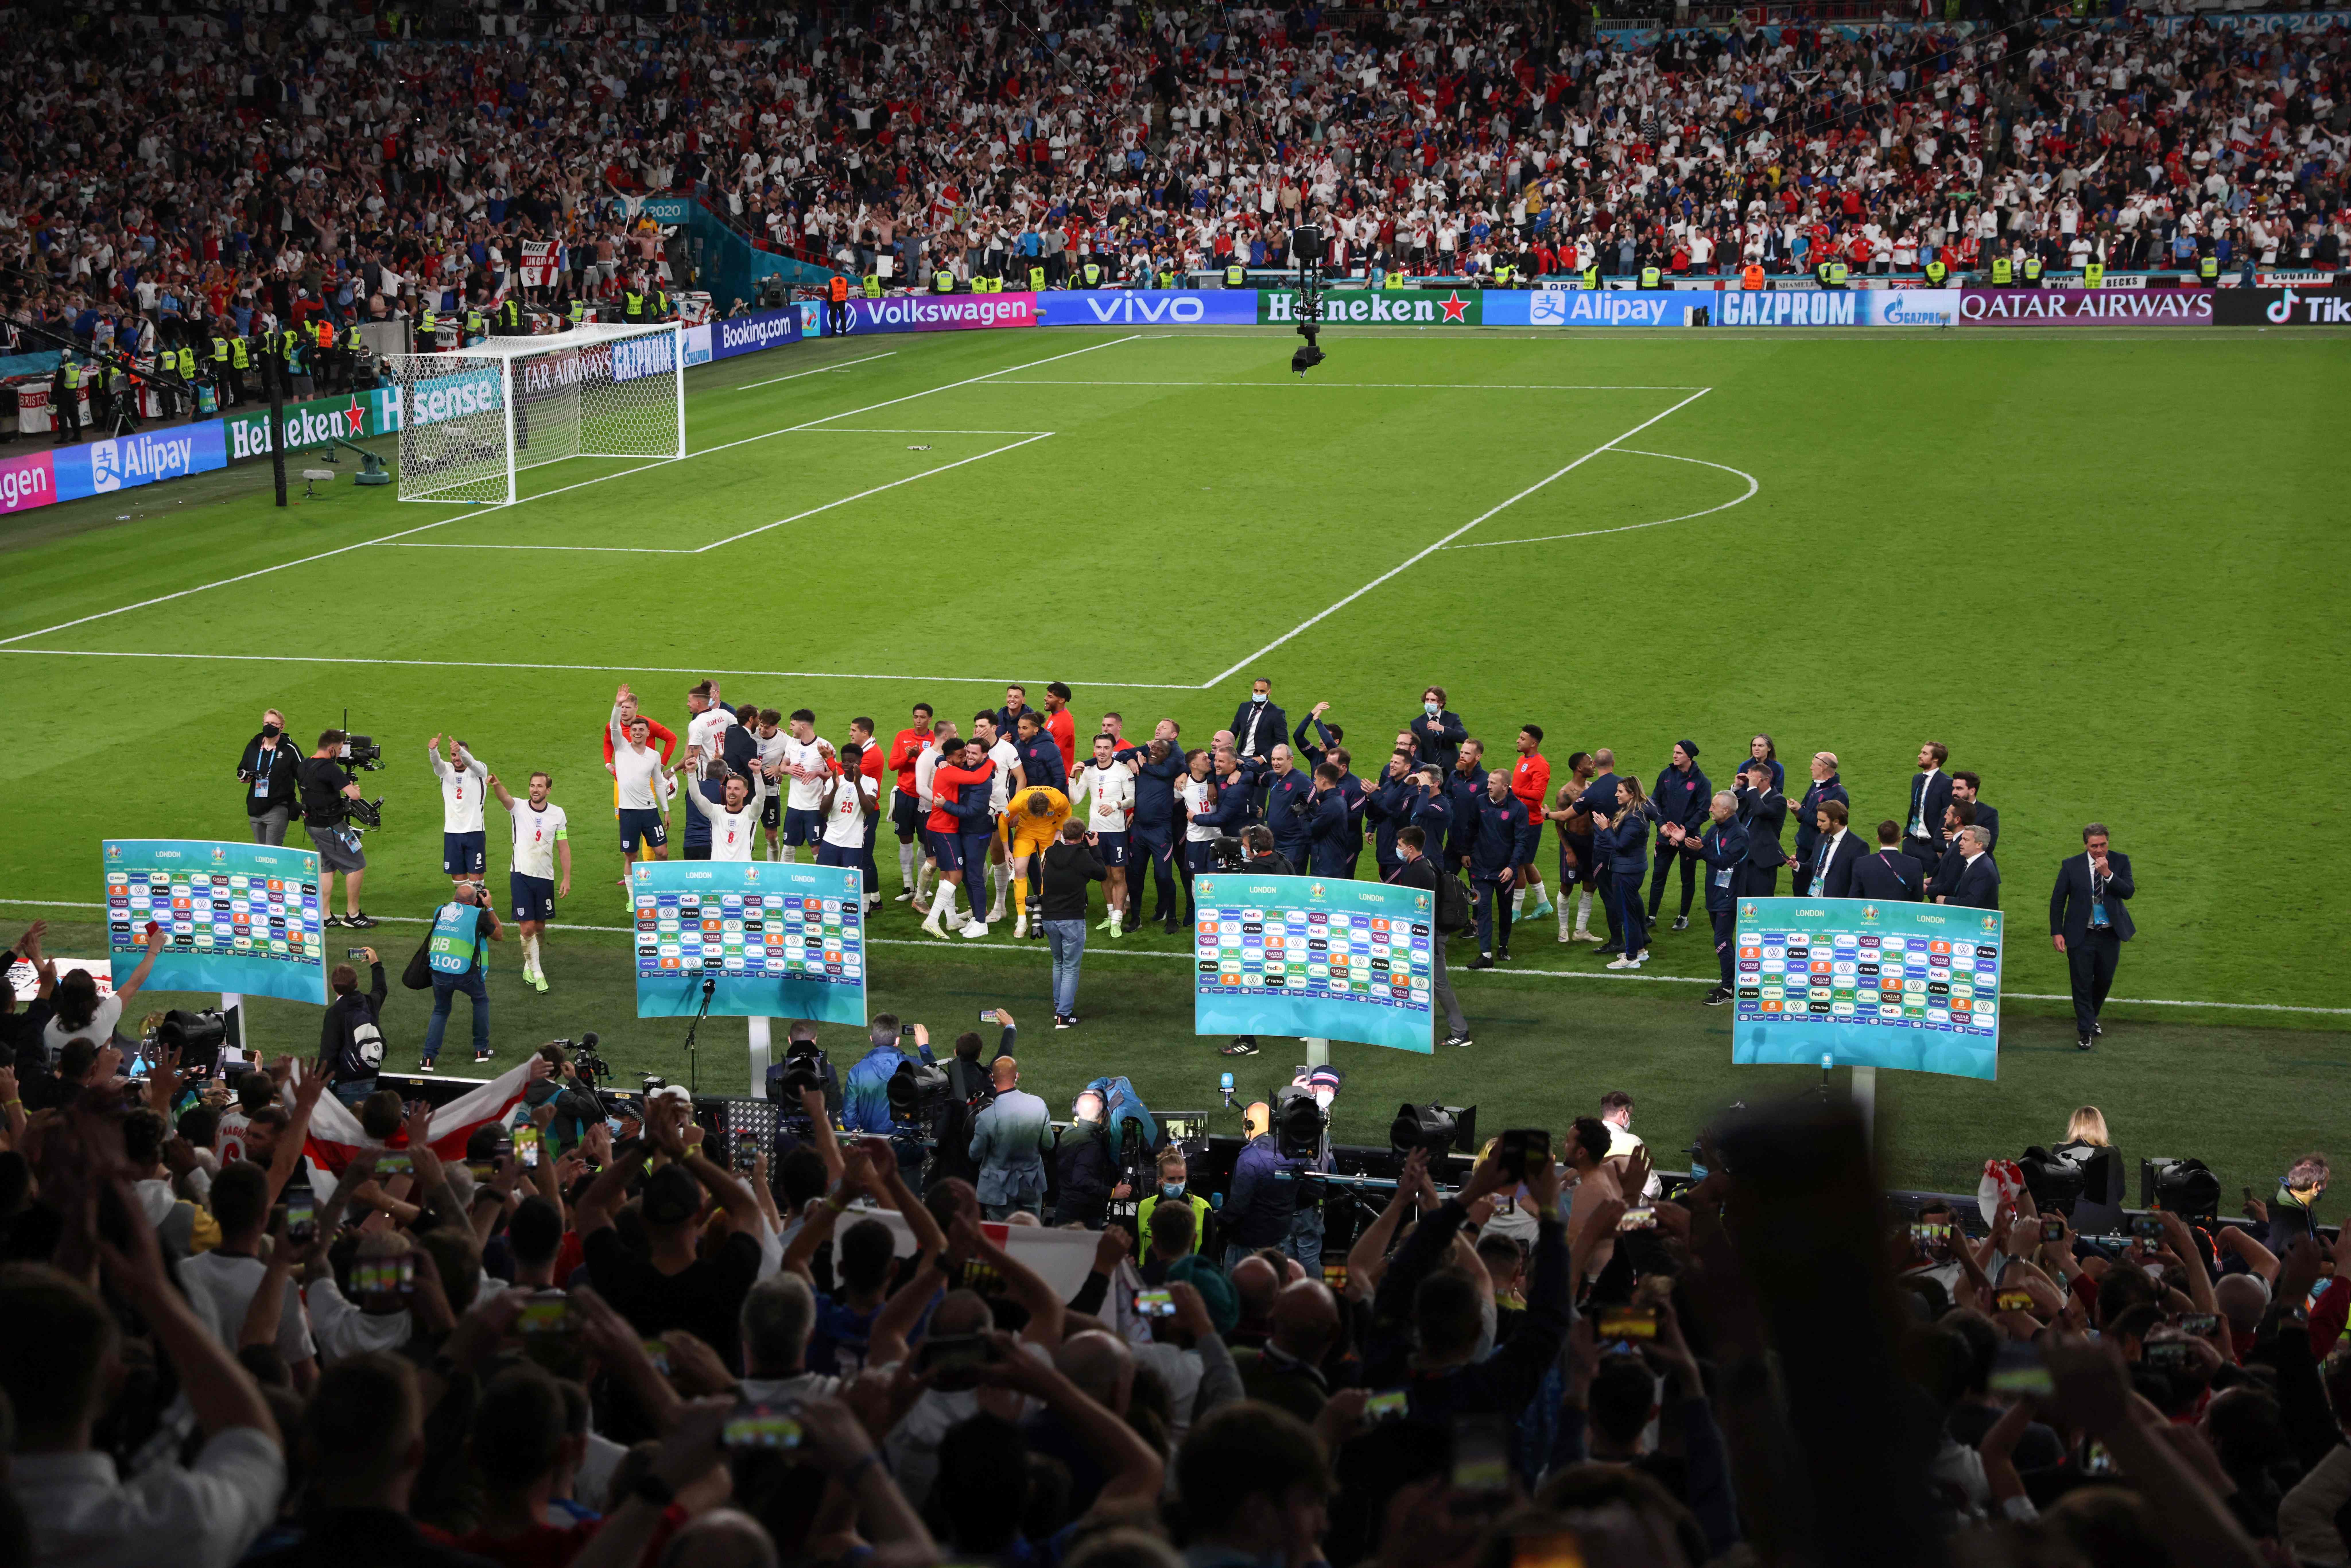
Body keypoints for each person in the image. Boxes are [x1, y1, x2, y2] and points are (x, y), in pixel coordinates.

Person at [2050, 822, 2134, 1051]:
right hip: (2081, 934)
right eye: (2094, 846)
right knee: (2081, 983)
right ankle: (2085, 1030)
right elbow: (2058, 900)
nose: (2099, 850)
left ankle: (2091, 1017)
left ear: (2109, 841)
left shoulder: (2120, 861)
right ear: (2086, 845)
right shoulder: (2071, 866)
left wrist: (2108, 874)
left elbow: (2128, 892)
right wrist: (2057, 932)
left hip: (2110, 934)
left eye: (2103, 845)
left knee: (2105, 980)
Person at [488, 769, 569, 994]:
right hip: (521, 875)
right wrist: (497, 785)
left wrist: (567, 877)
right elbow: (505, 798)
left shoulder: (558, 814)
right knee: (527, 929)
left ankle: (529, 964)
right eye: (533, 786)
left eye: (540, 786)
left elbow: (563, 847)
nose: (535, 790)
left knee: (540, 927)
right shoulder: (519, 808)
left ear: (548, 790)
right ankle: (538, 973)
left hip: (545, 878)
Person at [1661, 789, 1745, 1005]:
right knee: (1724, 942)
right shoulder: (1715, 830)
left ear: (1726, 810)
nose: (1710, 810)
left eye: (1714, 807)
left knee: (1722, 941)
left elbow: (1724, 862)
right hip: (1715, 894)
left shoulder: (1740, 834)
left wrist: (1702, 849)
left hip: (1729, 895)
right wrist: (1682, 842)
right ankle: (1731, 984)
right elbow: (1699, 854)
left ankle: (1728, 989)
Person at [421, 880, 502, 1070]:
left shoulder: (440, 911)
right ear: (476, 902)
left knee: (441, 1010)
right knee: (481, 1001)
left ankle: (428, 1059)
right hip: (465, 972)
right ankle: (481, 1050)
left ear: (454, 899)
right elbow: (499, 935)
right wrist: (489, 908)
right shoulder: (479, 915)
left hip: (439, 970)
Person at [922, 737, 997, 939]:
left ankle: (980, 922)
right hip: (951, 830)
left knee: (968, 877)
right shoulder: (958, 769)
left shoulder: (981, 777)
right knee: (962, 876)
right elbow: (951, 758)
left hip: (973, 833)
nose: (968, 758)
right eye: (966, 753)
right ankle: (970, 919)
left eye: (973, 754)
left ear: (984, 755)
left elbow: (973, 810)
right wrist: (941, 760)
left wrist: (946, 805)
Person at [300, 729, 377, 928]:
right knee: (357, 863)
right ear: (332, 749)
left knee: (328, 867)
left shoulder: (305, 764)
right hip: (331, 826)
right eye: (341, 749)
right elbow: (354, 795)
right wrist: (355, 791)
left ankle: (325, 915)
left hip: (312, 825)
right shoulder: (330, 769)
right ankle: (353, 914)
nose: (342, 753)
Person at [1467, 768, 1539, 969]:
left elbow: (1522, 842)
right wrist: (1467, 853)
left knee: (1505, 911)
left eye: (1492, 783)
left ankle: (1503, 945)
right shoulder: (1480, 802)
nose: (1488, 786)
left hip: (1505, 872)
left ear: (1505, 787)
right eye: (1488, 782)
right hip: (1481, 869)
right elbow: (1471, 829)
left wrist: (1511, 867)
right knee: (1483, 909)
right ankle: (1486, 955)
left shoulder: (1519, 809)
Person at [607, 686, 675, 894]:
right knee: (631, 856)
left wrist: (666, 810)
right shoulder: (622, 748)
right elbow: (614, 727)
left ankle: (662, 889)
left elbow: (659, 782)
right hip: (628, 812)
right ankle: (632, 897)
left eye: (641, 730)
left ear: (647, 732)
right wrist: (618, 705)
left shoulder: (654, 756)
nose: (637, 733)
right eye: (634, 730)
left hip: (650, 812)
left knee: (662, 852)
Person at [967, 1056, 1053, 1218]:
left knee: (1001, 1239)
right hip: (1031, 1184)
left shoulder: (986, 1117)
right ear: (1017, 1076)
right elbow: (1048, 1144)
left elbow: (975, 1154)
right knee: (1030, 1236)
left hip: (998, 1190)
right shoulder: (1038, 1104)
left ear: (992, 1078)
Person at [1040, 821, 1105, 1027]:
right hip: (1071, 919)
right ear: (1082, 836)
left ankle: (1060, 1006)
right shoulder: (1082, 856)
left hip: (1049, 917)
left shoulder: (1050, 853)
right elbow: (1102, 874)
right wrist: (1094, 848)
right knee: (1070, 968)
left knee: (1058, 963)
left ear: (1064, 835)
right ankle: (1063, 1016)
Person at [1070, 735, 1135, 934]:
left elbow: (1132, 800)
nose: (1102, 752)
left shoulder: (1122, 771)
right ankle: (1110, 913)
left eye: (1106, 748)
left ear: (1112, 749)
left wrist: (1116, 805)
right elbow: (1075, 800)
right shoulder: (1089, 772)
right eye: (1099, 747)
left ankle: (1118, 916)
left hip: (1116, 832)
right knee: (1103, 875)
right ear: (1094, 749)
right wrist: (1072, 777)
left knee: (1118, 874)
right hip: (1096, 832)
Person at [1646, 740, 1709, 931]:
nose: (1675, 756)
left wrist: (1684, 832)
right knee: (1658, 876)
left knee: (1688, 878)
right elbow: (1654, 801)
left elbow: (1704, 811)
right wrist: (1661, 824)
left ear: (1689, 757)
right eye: (1674, 752)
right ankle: (1651, 916)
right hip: (1665, 836)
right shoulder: (1665, 775)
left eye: (1679, 753)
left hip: (1689, 840)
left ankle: (1683, 916)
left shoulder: (1702, 782)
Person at [1594, 776, 1653, 970]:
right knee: (1633, 911)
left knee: (1627, 914)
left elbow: (1620, 846)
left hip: (1627, 871)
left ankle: (1630, 958)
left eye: (1620, 792)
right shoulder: (1633, 812)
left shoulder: (1634, 818)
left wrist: (1606, 829)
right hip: (1631, 868)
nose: (1616, 795)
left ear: (1632, 794)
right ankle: (1639, 950)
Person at [321, 947, 387, 1105]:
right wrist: (375, 962)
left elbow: (328, 1055)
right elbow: (381, 989)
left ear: (333, 987)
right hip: (371, 1078)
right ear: (357, 984)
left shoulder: (334, 1013)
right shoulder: (369, 1003)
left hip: (345, 1085)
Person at [1052, 1089, 1128, 1228]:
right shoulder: (1091, 1144)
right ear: (1104, 1115)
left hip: (1066, 1205)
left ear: (1076, 1111)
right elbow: (1082, 1180)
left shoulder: (1070, 1130)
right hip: (1083, 1215)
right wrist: (1112, 1193)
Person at [886, 701, 938, 896]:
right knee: (905, 839)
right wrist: (908, 758)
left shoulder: (935, 738)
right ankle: (908, 886)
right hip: (906, 795)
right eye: (916, 716)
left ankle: (922, 888)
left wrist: (920, 754)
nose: (918, 720)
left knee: (926, 842)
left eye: (923, 717)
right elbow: (892, 765)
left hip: (926, 798)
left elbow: (938, 764)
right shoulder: (903, 736)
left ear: (930, 719)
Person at [426, 733, 490, 893]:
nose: (457, 758)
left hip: (474, 832)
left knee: (478, 886)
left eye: (460, 754)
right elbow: (436, 764)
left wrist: (461, 751)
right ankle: (464, 915)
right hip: (452, 834)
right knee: (460, 887)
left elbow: (471, 762)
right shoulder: (446, 771)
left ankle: (480, 915)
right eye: (454, 754)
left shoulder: (479, 770)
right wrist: (433, 751)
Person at [678, 756, 767, 863]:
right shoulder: (716, 812)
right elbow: (697, 797)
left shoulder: (750, 814)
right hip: (718, 872)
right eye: (729, 788)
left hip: (741, 872)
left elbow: (761, 799)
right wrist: (692, 773)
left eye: (737, 789)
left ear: (745, 793)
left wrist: (757, 774)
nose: (732, 792)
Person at [1508, 725, 1554, 924]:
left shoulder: (1541, 765)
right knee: (1525, 862)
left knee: (1519, 862)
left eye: (1522, 738)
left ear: (1533, 744)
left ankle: (1515, 910)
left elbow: (1538, 796)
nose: (1518, 741)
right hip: (1519, 818)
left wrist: (1514, 792)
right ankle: (1543, 904)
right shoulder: (1522, 760)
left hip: (1531, 822)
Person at [237, 709, 301, 846]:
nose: (269, 726)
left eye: (273, 723)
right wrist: (244, 776)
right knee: (261, 853)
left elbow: (303, 775)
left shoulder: (290, 749)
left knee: (272, 852)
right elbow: (243, 767)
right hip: (255, 807)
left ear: (282, 727)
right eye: (267, 723)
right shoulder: (253, 746)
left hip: (278, 807)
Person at [1791, 751, 1849, 896]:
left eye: (1814, 765)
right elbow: (1804, 810)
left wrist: (1802, 812)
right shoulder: (1816, 786)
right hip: (1804, 848)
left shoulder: (1839, 794)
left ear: (1823, 768)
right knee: (1799, 888)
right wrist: (1798, 812)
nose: (1811, 768)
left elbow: (1830, 825)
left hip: (1820, 850)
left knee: (1814, 892)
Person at [1734, 758, 1789, 896]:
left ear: (1766, 780)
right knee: (1741, 902)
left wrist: (1752, 789)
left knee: (1760, 903)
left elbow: (1760, 811)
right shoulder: (1749, 796)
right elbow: (1734, 814)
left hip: (1762, 861)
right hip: (1743, 856)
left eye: (1753, 779)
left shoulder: (1778, 800)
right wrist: (1737, 788)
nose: (1749, 782)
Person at [1903, 741, 1954, 879]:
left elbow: (1948, 815)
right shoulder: (1917, 778)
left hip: (1931, 847)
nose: (1920, 756)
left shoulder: (1946, 784)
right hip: (1912, 844)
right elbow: (1914, 807)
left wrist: (1940, 844)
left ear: (1936, 759)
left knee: (1935, 890)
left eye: (1925, 754)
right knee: (1906, 887)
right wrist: (1907, 832)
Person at [1807, 799, 1866, 899]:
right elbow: (1813, 865)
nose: (1818, 824)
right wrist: (1797, 866)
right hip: (1815, 900)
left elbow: (1858, 882)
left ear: (1836, 822)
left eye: (1823, 821)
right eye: (1818, 820)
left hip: (1838, 905)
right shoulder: (1821, 838)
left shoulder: (1858, 846)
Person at [1410, 685, 1469, 775]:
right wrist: (1421, 771)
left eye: (1433, 700)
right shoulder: (1417, 723)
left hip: (1451, 771)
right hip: (1430, 772)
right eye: (1427, 700)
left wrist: (1443, 729)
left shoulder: (1452, 718)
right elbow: (1418, 750)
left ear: (1441, 703)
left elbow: (1464, 737)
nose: (1429, 703)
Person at [1231, 676, 1287, 762]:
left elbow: (1283, 742)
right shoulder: (1244, 708)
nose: (1258, 694)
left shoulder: (1277, 713)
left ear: (1269, 692)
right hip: (1239, 757)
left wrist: (1263, 758)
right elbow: (1233, 733)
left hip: (1258, 761)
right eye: (1256, 691)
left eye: (1262, 691)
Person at [1943, 825, 2000, 910]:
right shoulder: (1974, 863)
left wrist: (1946, 901)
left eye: (1965, 840)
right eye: (1962, 839)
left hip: (1978, 921)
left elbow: (1972, 903)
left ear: (1979, 845)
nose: (1960, 843)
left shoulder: (1983, 869)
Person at [1951, 770, 1999, 851]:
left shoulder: (1989, 814)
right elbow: (1937, 843)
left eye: (1959, 789)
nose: (1954, 793)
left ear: (1972, 791)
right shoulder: (1947, 811)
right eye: (1954, 788)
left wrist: (1955, 838)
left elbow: (1989, 846)